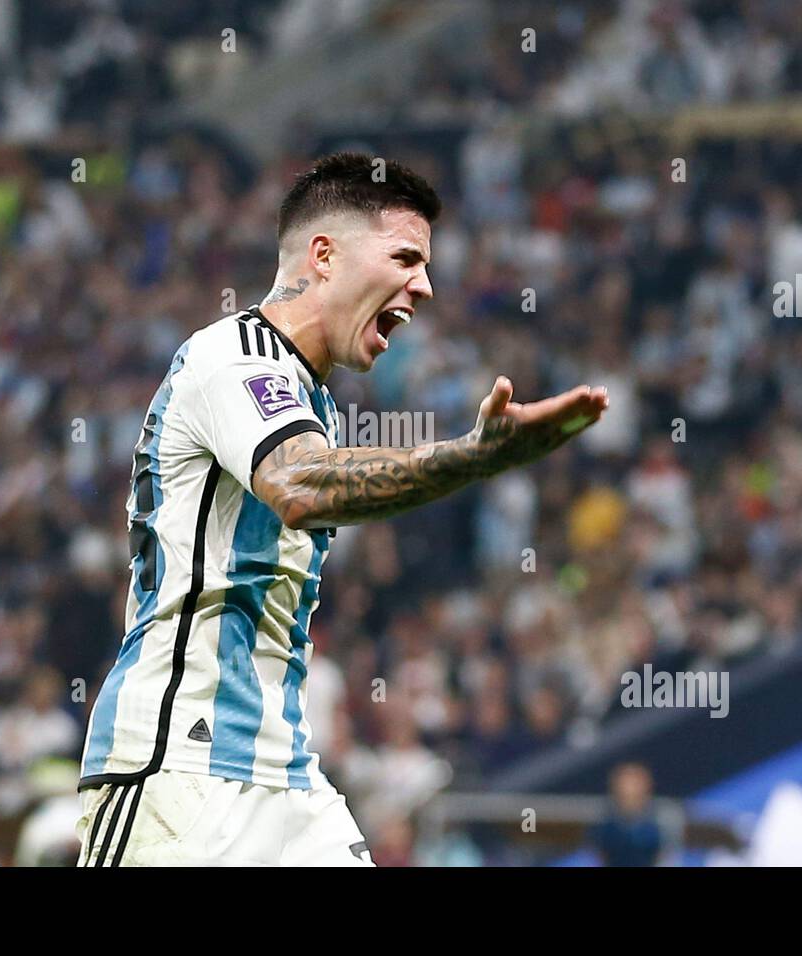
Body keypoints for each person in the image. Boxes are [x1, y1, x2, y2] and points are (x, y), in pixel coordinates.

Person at [76, 152, 609, 866]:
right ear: (323, 255)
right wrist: (473, 456)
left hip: (284, 775)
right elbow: (300, 486)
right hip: (179, 770)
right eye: (405, 258)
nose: (423, 286)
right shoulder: (232, 355)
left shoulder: (311, 399)